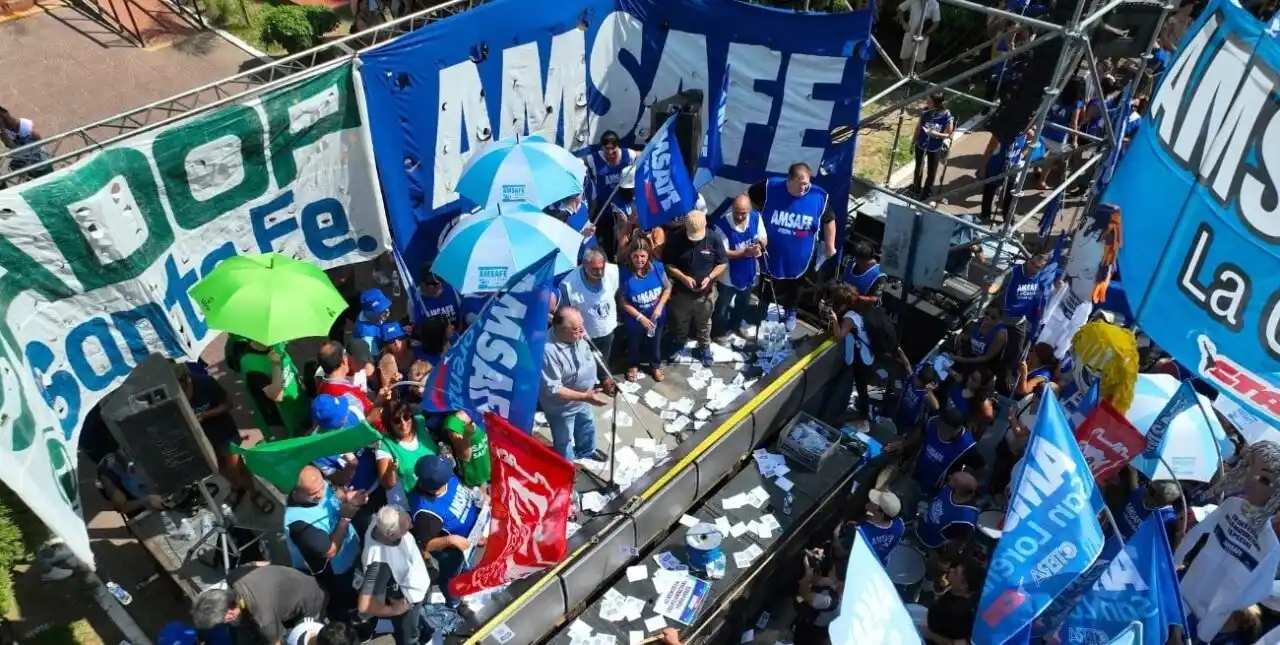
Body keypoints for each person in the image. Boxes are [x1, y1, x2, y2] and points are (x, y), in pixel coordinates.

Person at [173, 364, 274, 513]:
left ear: (185, 378)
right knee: (218, 466)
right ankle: (237, 488)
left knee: (237, 466)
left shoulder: (204, 382)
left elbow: (228, 403)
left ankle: (254, 493)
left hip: (224, 430)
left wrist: (205, 415)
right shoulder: (171, 396)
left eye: (178, 383)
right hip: (201, 438)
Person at [748, 163, 835, 331]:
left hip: (800, 256)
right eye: (801, 184)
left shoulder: (818, 196)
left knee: (796, 285)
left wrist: (830, 246)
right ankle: (763, 306)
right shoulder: (769, 187)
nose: (805, 187)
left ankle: (791, 311)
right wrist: (756, 222)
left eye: (807, 183)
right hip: (771, 252)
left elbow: (829, 220)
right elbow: (749, 197)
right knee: (767, 281)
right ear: (790, 179)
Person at [283, 466, 365, 623]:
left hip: (350, 555)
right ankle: (341, 623)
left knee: (352, 587)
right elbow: (330, 551)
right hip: (334, 571)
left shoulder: (319, 486)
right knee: (339, 600)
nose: (321, 494)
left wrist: (347, 496)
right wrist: (344, 519)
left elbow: (333, 491)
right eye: (314, 493)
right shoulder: (298, 523)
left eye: (321, 487)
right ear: (297, 493)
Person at [408, 456, 482, 608]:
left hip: (471, 540)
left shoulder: (449, 477)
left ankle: (468, 584)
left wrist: (479, 497)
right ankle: (454, 603)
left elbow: (462, 490)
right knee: (452, 578)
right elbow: (426, 545)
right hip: (452, 553)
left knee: (468, 569)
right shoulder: (425, 512)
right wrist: (450, 540)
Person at [191, 563, 327, 645]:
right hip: (292, 578)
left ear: (230, 614)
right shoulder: (233, 577)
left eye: (222, 621)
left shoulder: (263, 620)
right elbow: (261, 564)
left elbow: (276, 642)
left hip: (312, 602)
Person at [540, 307, 610, 461]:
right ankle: (567, 466)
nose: (582, 331)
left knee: (586, 425)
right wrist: (584, 396)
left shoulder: (579, 335)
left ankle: (587, 450)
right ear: (561, 329)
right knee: (564, 439)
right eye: (576, 329)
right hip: (562, 408)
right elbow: (553, 388)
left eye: (581, 326)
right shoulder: (547, 351)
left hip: (584, 398)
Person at [310, 395, 384, 537]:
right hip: (358, 498)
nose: (345, 414)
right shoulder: (316, 450)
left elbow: (369, 435)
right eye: (340, 415)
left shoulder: (352, 412)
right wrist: (351, 466)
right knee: (372, 535)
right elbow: (337, 481)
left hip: (379, 481)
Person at [359, 507, 433, 645]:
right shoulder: (378, 563)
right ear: (390, 534)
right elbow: (365, 605)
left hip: (419, 585)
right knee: (408, 636)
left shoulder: (380, 519)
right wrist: (394, 610)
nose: (410, 527)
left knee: (418, 620)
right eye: (405, 529)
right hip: (407, 601)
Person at [664, 211, 728, 367]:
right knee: (680, 322)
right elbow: (668, 264)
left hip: (706, 294)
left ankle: (704, 346)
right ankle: (679, 343)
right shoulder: (675, 239)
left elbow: (722, 263)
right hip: (681, 293)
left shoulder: (714, 238)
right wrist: (683, 278)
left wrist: (710, 277)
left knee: (704, 323)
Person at [560, 247, 621, 391]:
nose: (599, 272)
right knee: (584, 360)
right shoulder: (569, 285)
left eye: (602, 268)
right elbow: (565, 311)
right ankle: (584, 384)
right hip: (583, 334)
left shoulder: (613, 272)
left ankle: (604, 377)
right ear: (584, 265)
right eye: (595, 269)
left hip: (606, 327)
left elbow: (615, 291)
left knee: (604, 355)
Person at [885, 407, 983, 495]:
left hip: (936, 488)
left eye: (947, 430)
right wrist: (903, 444)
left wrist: (966, 487)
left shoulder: (967, 446)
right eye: (942, 427)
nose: (942, 431)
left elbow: (980, 466)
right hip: (916, 472)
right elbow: (920, 432)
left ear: (958, 429)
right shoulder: (933, 422)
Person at [230, 337, 311, 441]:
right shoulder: (250, 363)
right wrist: (276, 365)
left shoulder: (277, 345)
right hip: (281, 420)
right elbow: (277, 396)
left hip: (299, 406)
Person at [712, 195, 767, 341]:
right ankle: (718, 332)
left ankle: (736, 325)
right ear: (732, 208)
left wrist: (759, 246)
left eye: (744, 213)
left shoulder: (756, 218)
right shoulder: (722, 226)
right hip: (728, 277)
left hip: (748, 272)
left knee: (743, 302)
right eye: (737, 212)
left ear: (749, 210)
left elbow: (763, 238)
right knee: (722, 306)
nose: (740, 216)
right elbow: (723, 253)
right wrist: (744, 253)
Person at [618, 237, 671, 382]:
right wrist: (640, 318)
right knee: (634, 343)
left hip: (655, 317)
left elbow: (667, 288)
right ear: (630, 255)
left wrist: (659, 307)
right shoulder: (624, 273)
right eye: (635, 256)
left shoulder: (658, 268)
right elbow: (622, 301)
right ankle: (633, 365)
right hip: (635, 318)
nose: (639, 260)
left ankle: (655, 365)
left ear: (648, 255)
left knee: (655, 342)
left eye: (642, 256)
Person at [821, 284, 875, 424]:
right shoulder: (856, 311)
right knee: (859, 384)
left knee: (860, 385)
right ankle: (860, 410)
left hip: (861, 359)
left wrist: (834, 319)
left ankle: (863, 414)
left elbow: (840, 336)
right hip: (863, 355)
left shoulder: (849, 318)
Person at [376, 400, 440, 504]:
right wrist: (391, 470)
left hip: (438, 492)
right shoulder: (385, 446)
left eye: (406, 417)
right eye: (396, 420)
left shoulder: (420, 423)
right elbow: (387, 485)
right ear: (389, 424)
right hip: (412, 503)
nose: (403, 423)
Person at [915, 471, 981, 554]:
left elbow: (957, 544)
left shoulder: (965, 519)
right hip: (922, 523)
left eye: (952, 479)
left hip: (931, 542)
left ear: (958, 490)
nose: (949, 476)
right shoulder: (949, 488)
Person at [832, 489, 904, 565]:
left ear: (881, 513)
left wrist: (835, 536)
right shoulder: (899, 525)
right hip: (879, 563)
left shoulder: (861, 532)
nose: (871, 500)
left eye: (875, 502)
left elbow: (840, 553)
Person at [1037, 77, 1085, 189]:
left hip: (1045, 127)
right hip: (1059, 134)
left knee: (1041, 149)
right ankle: (1041, 181)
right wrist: (1075, 140)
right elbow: (1073, 122)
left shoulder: (1056, 94)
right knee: (1052, 157)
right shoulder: (1076, 102)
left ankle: (1037, 170)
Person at [922, 558, 984, 645]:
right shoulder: (957, 590)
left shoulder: (957, 612)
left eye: (955, 572)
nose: (951, 570)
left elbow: (951, 642)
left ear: (964, 586)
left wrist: (929, 634)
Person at [978, 127, 1033, 222]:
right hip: (995, 166)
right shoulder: (1000, 133)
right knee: (989, 191)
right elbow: (989, 149)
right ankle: (985, 215)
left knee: (1010, 193)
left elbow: (1033, 140)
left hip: (1013, 167)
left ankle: (1007, 217)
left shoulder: (1026, 131)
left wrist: (1022, 154)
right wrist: (982, 168)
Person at [315, 341, 376, 421]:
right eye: (345, 355)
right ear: (344, 360)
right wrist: (379, 403)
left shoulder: (321, 389)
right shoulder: (350, 394)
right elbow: (367, 420)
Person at [792, 548, 841, 645]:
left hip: (815, 625)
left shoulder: (830, 601)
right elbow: (817, 580)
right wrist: (815, 561)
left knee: (799, 600)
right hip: (819, 608)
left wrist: (808, 575)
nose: (830, 572)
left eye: (832, 571)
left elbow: (805, 594)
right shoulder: (837, 584)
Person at [912, 93, 955, 200]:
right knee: (918, 168)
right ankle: (916, 188)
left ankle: (926, 192)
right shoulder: (925, 111)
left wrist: (936, 134)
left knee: (931, 172)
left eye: (930, 101)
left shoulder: (946, 114)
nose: (927, 103)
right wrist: (913, 142)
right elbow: (918, 128)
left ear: (937, 103)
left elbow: (950, 135)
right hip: (921, 145)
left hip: (935, 147)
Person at [0, 106, 52, 186]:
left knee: (46, 177)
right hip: (28, 160)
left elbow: (38, 139)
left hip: (37, 159)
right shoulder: (5, 131)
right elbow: (10, 145)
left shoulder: (24, 127)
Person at [952, 303, 1008, 373]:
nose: (988, 318)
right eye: (986, 314)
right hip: (970, 357)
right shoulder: (980, 321)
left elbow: (987, 357)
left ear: (999, 320)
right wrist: (961, 338)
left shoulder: (1000, 334)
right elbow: (973, 338)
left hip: (984, 366)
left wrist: (964, 360)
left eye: (993, 317)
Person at [945, 368, 996, 438]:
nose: (970, 381)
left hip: (950, 431)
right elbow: (953, 373)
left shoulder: (975, 405)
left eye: (974, 381)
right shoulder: (960, 384)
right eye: (971, 376)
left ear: (981, 386)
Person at [1004, 252, 1050, 324]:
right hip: (1005, 316)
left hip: (1022, 320)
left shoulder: (1040, 277)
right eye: (1032, 263)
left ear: (1042, 269)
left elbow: (1039, 295)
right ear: (1030, 260)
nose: (1032, 268)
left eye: (1037, 267)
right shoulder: (1013, 271)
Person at [896, 364, 941, 435]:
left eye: (918, 381)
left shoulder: (925, 394)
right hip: (900, 409)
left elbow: (936, 406)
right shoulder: (912, 377)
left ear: (925, 383)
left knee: (901, 432)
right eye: (917, 378)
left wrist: (929, 390)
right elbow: (907, 365)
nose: (916, 381)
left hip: (910, 420)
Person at [898, 0, 941, 71]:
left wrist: (924, 35)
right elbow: (900, 9)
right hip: (910, 33)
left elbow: (936, 23)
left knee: (919, 60)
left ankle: (916, 77)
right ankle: (904, 76)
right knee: (905, 57)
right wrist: (903, 23)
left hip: (923, 37)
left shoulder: (934, 4)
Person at [841, 242, 886, 307]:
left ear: (865, 259)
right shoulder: (850, 264)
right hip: (844, 302)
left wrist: (854, 296)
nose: (854, 259)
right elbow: (841, 280)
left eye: (856, 258)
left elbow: (875, 299)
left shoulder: (879, 275)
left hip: (862, 309)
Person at [352, 288, 393, 356]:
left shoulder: (365, 314)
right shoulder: (368, 338)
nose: (387, 311)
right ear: (371, 314)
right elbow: (374, 357)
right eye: (381, 310)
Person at [377, 322, 415, 388]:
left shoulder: (415, 351)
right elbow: (385, 390)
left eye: (399, 338)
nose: (396, 342)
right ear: (387, 345)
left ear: (405, 338)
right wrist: (392, 381)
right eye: (391, 341)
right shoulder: (387, 361)